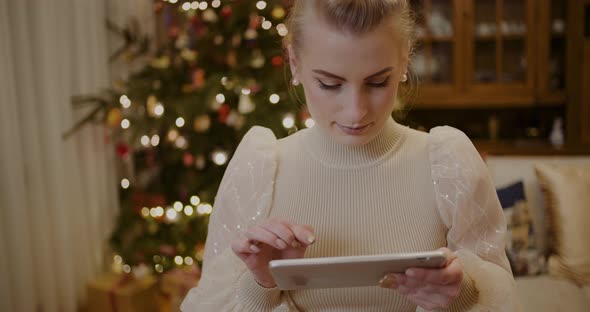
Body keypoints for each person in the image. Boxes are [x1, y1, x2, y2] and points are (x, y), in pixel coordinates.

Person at [181, 0, 518, 311]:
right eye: (329, 84)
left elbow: (502, 301)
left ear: (404, 62)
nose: (355, 112)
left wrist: (458, 295)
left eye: (378, 82)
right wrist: (263, 284)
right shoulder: (259, 168)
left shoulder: (449, 164)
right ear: (294, 63)